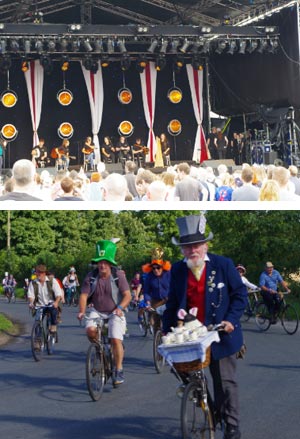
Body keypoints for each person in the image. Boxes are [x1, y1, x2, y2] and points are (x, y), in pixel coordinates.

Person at [163, 214, 247, 439]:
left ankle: (232, 426)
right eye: (187, 246)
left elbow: (240, 295)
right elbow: (172, 304)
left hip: (221, 332)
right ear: (182, 249)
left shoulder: (223, 265)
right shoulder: (179, 270)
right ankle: (205, 402)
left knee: (225, 383)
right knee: (184, 372)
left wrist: (231, 319)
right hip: (192, 333)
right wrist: (164, 331)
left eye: (196, 245)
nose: (193, 250)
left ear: (205, 245)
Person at [78, 240, 131, 386]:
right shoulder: (91, 276)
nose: (102, 265)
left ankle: (118, 369)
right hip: (97, 310)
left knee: (115, 339)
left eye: (105, 262)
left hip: (115, 311)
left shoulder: (118, 275)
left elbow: (127, 295)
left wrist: (120, 307)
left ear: (110, 263)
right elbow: (83, 295)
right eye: (99, 262)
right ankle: (100, 351)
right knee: (90, 331)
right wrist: (82, 311)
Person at [27, 264, 62, 335]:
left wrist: (56, 302)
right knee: (37, 322)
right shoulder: (33, 283)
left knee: (53, 310)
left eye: (40, 272)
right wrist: (31, 303)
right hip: (39, 305)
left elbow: (58, 294)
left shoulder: (52, 281)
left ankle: (53, 325)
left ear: (44, 273)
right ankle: (38, 339)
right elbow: (31, 295)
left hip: (51, 304)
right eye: (37, 272)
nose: (37, 274)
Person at [141, 248, 171, 331]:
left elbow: (175, 287)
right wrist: (147, 301)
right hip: (155, 301)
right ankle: (157, 340)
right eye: (153, 268)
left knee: (168, 322)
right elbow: (146, 291)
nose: (156, 270)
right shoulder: (149, 276)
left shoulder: (168, 274)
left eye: (158, 267)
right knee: (156, 325)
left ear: (162, 267)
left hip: (168, 300)